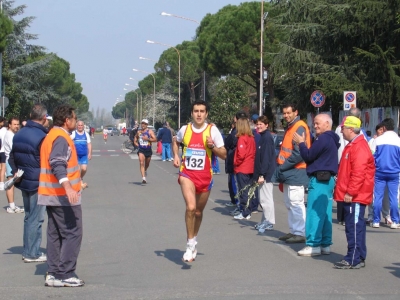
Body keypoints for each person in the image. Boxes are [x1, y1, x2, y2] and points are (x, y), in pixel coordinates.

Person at [173, 100, 226, 262]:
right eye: (196, 111)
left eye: (202, 111)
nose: (199, 114)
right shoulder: (185, 129)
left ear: (206, 114)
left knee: (198, 212)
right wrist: (176, 155)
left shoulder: (212, 130)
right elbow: (176, 140)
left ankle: (194, 240)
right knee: (190, 207)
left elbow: (224, 154)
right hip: (187, 174)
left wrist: (212, 147)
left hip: (205, 177)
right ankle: (189, 245)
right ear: (192, 113)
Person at [38, 104, 84, 287]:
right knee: (73, 232)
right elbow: (57, 163)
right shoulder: (61, 138)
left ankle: (54, 273)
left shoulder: (51, 135)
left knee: (55, 233)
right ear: (67, 120)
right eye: (74, 117)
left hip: (51, 193)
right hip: (62, 195)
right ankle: (65, 273)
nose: (76, 120)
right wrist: (68, 187)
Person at [293, 114, 340, 256]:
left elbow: (308, 155)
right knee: (325, 213)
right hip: (328, 179)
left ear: (327, 123)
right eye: (314, 123)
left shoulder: (323, 138)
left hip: (319, 179)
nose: (315, 125)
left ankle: (313, 244)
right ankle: (325, 243)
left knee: (314, 212)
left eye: (318, 123)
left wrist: (301, 143)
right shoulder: (332, 138)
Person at [333, 116, 375, 269]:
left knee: (354, 227)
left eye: (343, 128)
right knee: (356, 226)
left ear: (351, 129)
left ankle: (353, 258)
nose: (341, 130)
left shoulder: (358, 147)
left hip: (355, 196)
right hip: (353, 194)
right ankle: (358, 256)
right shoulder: (354, 145)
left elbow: (358, 173)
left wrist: (350, 192)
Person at [8, 103, 48, 262]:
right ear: (44, 118)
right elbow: (45, 161)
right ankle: (32, 253)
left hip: (24, 179)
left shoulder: (19, 134)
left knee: (29, 216)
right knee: (36, 218)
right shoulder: (42, 136)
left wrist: (17, 170)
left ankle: (28, 249)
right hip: (38, 181)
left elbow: (11, 156)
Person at [273, 103, 310, 244]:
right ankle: (294, 231)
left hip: (296, 170)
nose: (286, 116)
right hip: (290, 170)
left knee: (296, 202)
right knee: (289, 202)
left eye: (289, 113)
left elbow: (298, 153)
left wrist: (283, 167)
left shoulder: (299, 126)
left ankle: (300, 232)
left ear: (296, 112)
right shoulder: (292, 126)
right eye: (284, 113)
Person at [372, 118, 400, 229]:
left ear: (384, 127)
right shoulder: (398, 140)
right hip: (394, 172)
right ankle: (395, 221)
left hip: (379, 172)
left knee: (378, 196)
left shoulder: (378, 140)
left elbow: (372, 156)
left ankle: (376, 221)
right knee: (393, 197)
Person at [253, 115, 276, 232]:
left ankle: (269, 222)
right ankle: (265, 221)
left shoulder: (266, 137)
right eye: (257, 124)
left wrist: (262, 174)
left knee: (266, 199)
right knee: (263, 199)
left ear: (267, 125)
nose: (258, 126)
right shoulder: (263, 136)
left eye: (261, 124)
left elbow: (266, 157)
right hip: (264, 173)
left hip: (266, 174)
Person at [232, 118, 256, 220]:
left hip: (242, 168)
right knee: (249, 191)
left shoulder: (242, 138)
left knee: (243, 191)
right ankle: (248, 211)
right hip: (250, 167)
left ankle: (245, 212)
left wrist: (236, 163)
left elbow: (241, 155)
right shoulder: (251, 138)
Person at [3, 117, 24, 213]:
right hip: (10, 162)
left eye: (17, 124)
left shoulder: (13, 134)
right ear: (9, 125)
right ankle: (11, 206)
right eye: (14, 124)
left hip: (12, 161)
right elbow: (14, 149)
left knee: (12, 184)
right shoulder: (10, 135)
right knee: (10, 184)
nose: (16, 126)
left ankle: (12, 205)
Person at [134, 119, 156, 184]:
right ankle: (143, 178)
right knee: (141, 162)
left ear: (147, 125)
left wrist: (148, 139)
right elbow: (135, 140)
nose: (143, 125)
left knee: (147, 163)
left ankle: (145, 170)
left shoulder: (150, 131)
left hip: (148, 149)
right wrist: (136, 144)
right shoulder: (139, 132)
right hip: (141, 149)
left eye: (144, 124)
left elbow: (155, 139)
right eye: (142, 123)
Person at [71, 120, 92, 189]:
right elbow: (69, 141)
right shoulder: (74, 133)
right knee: (77, 170)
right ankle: (80, 183)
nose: (80, 127)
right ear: (77, 126)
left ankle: (80, 178)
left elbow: (89, 144)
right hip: (75, 155)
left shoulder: (86, 134)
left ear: (83, 126)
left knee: (84, 169)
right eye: (79, 125)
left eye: (81, 125)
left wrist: (89, 153)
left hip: (84, 155)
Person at [0, 117, 6, 191]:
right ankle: (1, 183)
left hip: (0, 150)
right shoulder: (6, 131)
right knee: (3, 168)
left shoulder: (0, 131)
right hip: (4, 150)